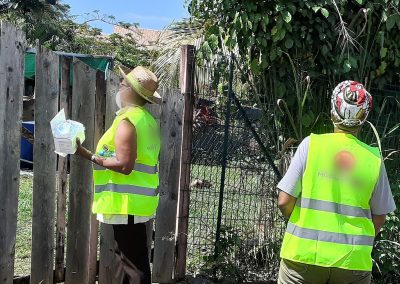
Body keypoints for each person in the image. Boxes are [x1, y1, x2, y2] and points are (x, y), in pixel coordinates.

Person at [277, 80, 396, 284]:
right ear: (364, 117)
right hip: (353, 262)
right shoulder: (374, 160)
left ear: (333, 110)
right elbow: (379, 217)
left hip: (302, 256)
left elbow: (284, 201)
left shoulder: (311, 145)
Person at [75, 66, 162, 284]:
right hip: (135, 202)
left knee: (134, 265)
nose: (119, 88)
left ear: (131, 91)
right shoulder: (146, 120)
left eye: (122, 85)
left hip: (125, 202)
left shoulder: (127, 121)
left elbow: (125, 165)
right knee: (125, 259)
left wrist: (88, 155)